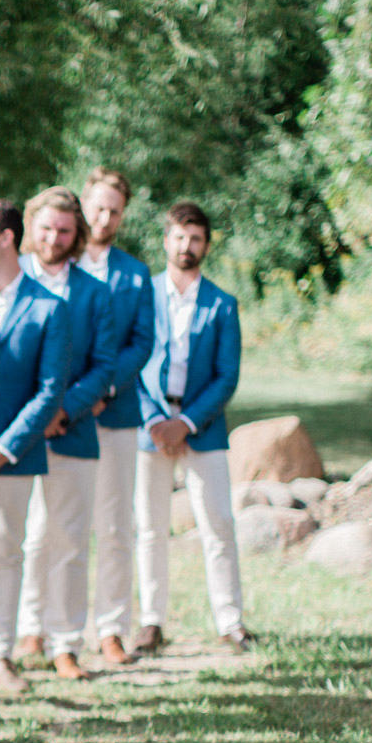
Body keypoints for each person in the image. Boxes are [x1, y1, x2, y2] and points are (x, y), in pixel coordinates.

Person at [0, 199, 69, 698]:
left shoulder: (51, 306)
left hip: (13, 452)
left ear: (5, 238)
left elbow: (50, 390)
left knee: (5, 553)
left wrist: (6, 447)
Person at [133, 202, 253, 654]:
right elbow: (132, 364)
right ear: (166, 240)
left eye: (196, 239)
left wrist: (184, 423)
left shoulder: (222, 304)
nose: (187, 246)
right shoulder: (143, 296)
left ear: (206, 245)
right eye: (180, 237)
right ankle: (150, 622)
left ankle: (230, 620)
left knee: (218, 522)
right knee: (150, 528)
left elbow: (227, 375)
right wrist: (155, 420)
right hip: (150, 427)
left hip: (202, 426)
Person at [13, 186, 117, 680]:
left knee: (70, 540)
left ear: (77, 236)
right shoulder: (8, 283)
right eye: (46, 227)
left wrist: (62, 410)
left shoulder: (97, 294)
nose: (54, 238)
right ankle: (25, 628)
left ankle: (66, 642)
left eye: (64, 230)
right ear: (31, 227)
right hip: (15, 434)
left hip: (71, 430)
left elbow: (104, 366)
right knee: (22, 539)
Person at [81, 168, 154, 664]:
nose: (105, 219)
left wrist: (104, 387)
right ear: (84, 203)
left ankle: (110, 628)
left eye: (115, 211)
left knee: (114, 525)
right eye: (98, 207)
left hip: (116, 413)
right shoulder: (50, 264)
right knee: (46, 528)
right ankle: (35, 631)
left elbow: (142, 342)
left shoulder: (135, 273)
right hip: (62, 415)